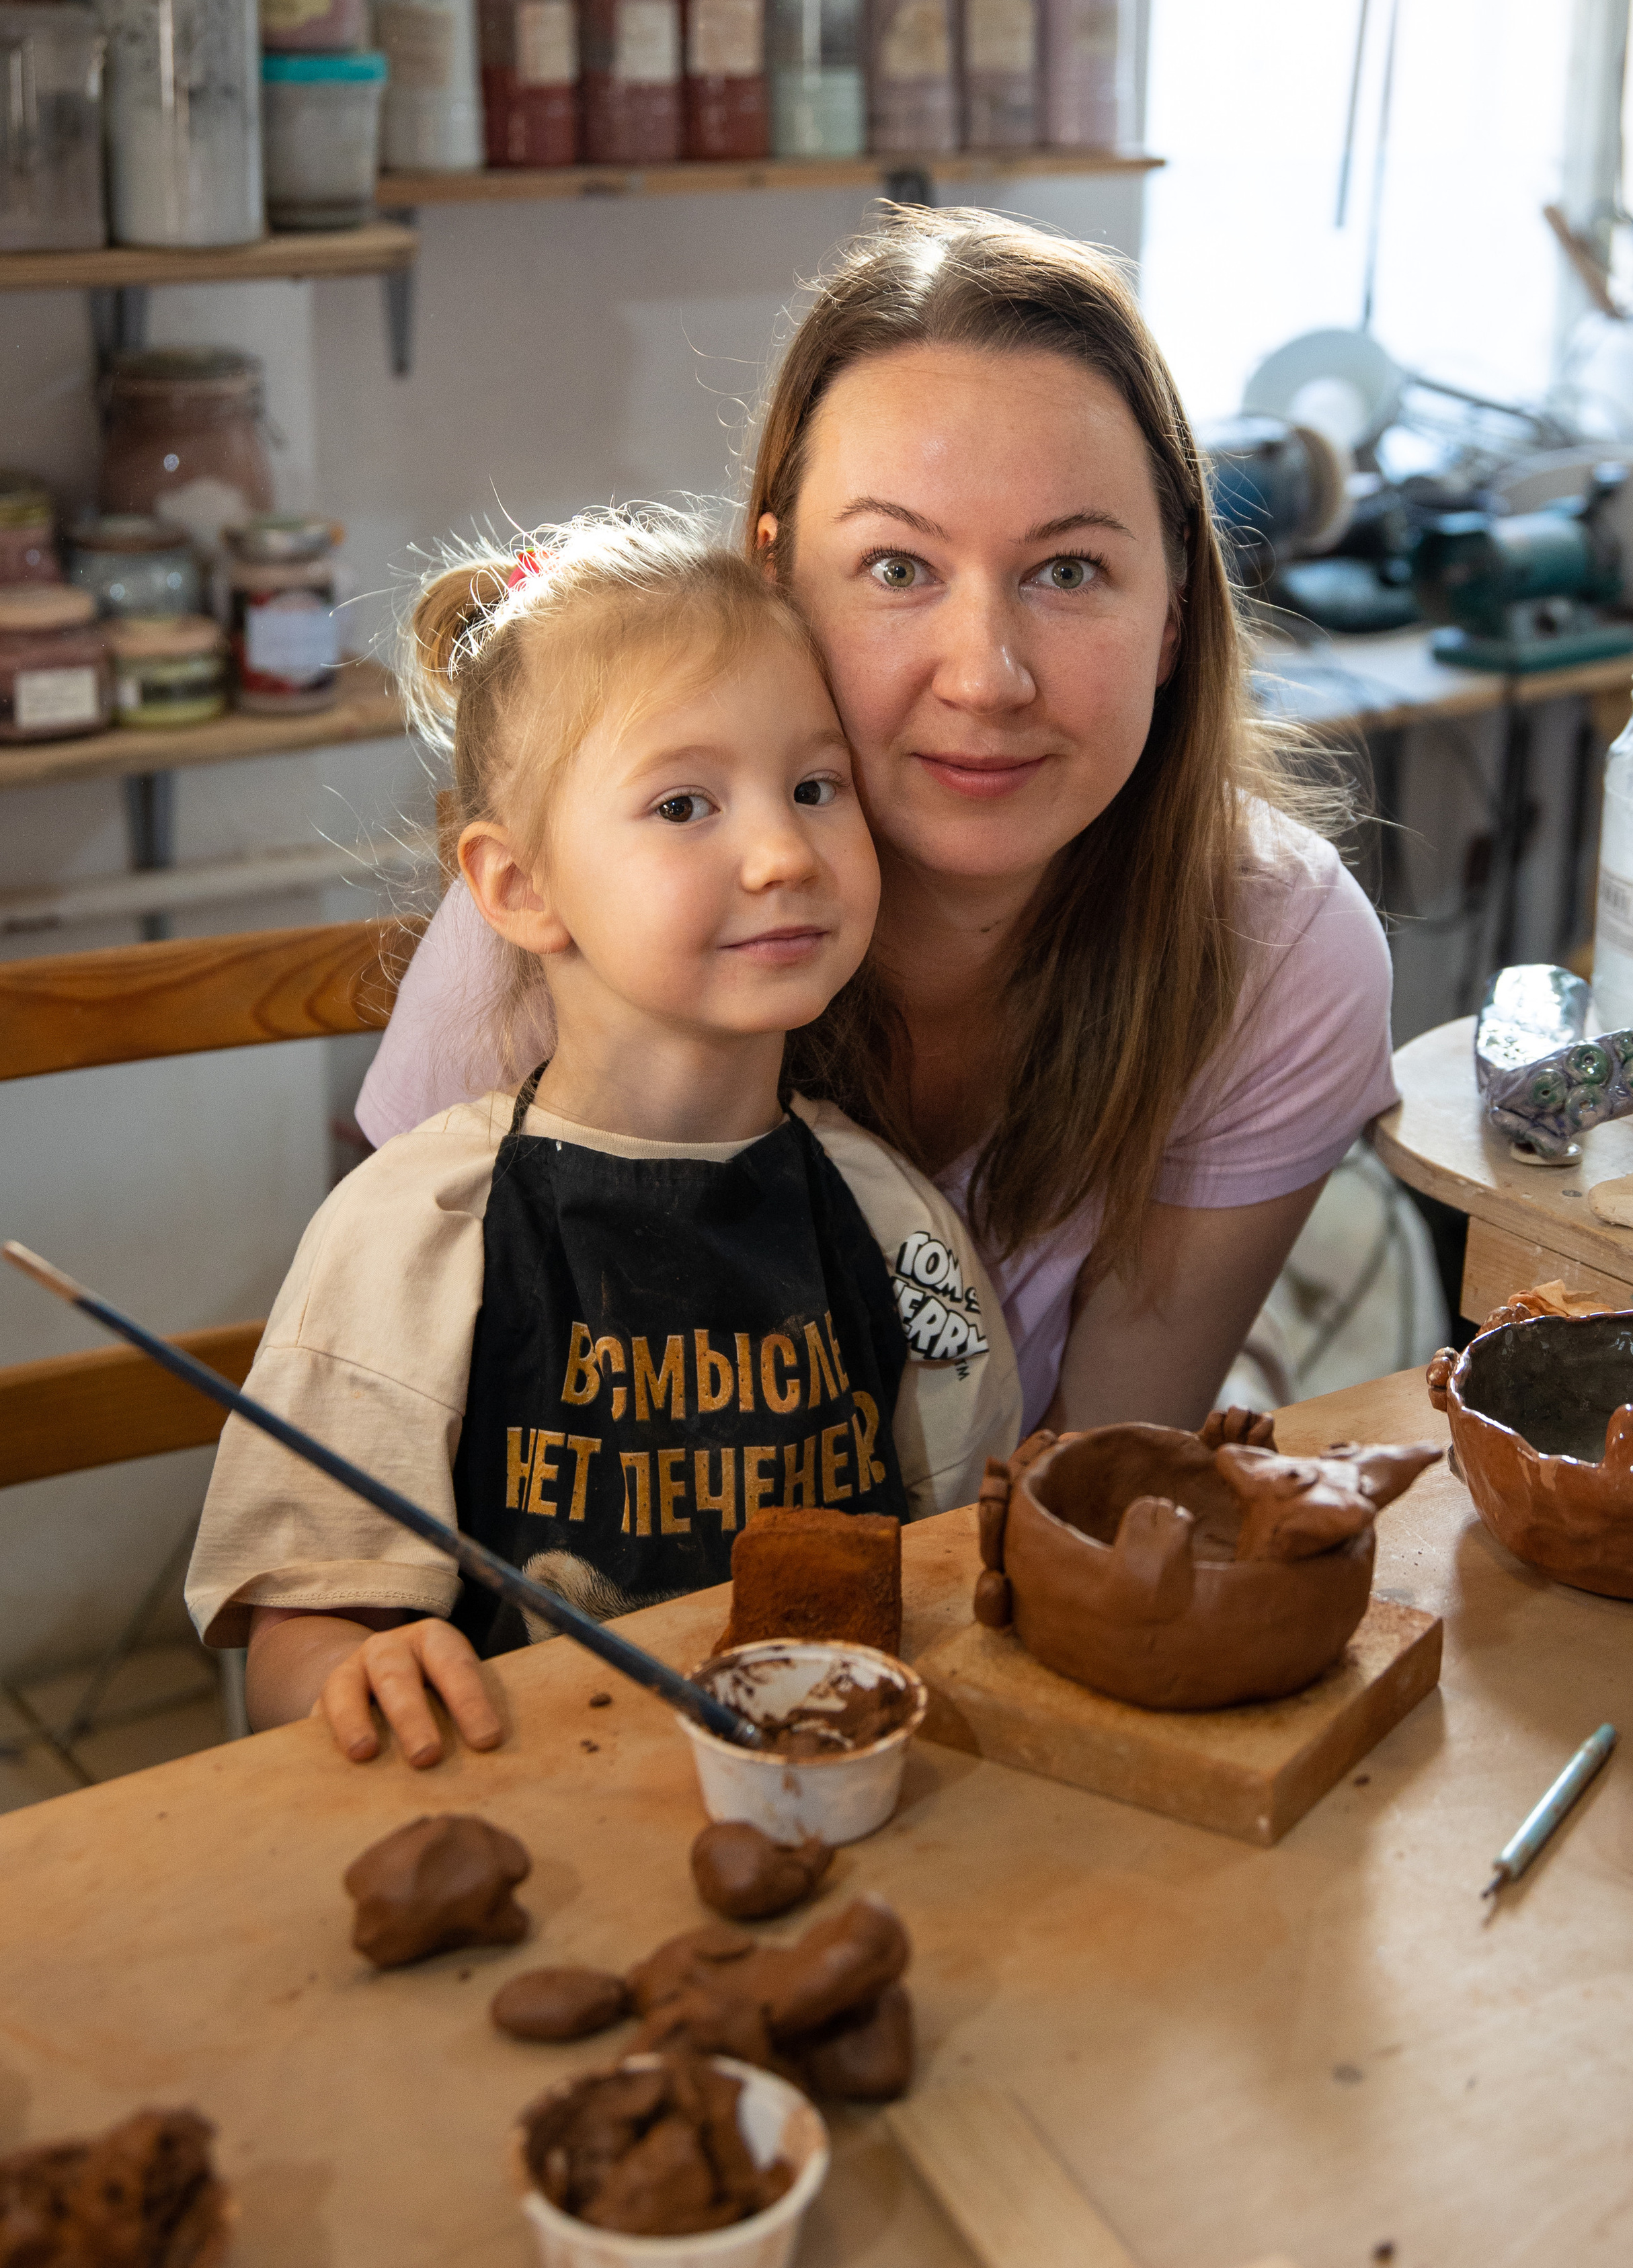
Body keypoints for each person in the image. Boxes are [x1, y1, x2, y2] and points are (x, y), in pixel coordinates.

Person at [360, 210, 1395, 1450]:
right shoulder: (574, 918)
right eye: (898, 568)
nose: (987, 679)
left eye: (1068, 571)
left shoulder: (1283, 951)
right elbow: (379, 1457)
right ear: (777, 580)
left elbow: (1088, 1486)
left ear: (1174, 610)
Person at [186, 510, 1020, 1768]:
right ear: (519, 887)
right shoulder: (417, 1234)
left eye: (815, 787)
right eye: (684, 803)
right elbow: (297, 1647)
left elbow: (962, 1564)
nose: (783, 854)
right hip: (526, 1812)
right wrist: (355, 1669)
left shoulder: (892, 1222)